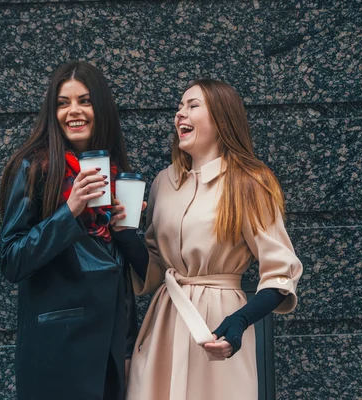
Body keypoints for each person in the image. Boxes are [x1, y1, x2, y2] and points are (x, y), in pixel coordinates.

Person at [116, 79, 303, 399]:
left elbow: (281, 269)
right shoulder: (164, 181)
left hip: (216, 325)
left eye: (192, 105)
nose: (180, 114)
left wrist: (240, 321)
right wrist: (123, 234)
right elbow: (154, 269)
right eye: (179, 107)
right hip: (165, 321)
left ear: (221, 118)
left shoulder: (249, 182)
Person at [0, 61, 138, 400]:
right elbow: (12, 259)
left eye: (84, 100)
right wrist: (70, 212)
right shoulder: (33, 168)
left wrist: (123, 228)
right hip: (59, 348)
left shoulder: (116, 173)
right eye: (63, 103)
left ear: (100, 108)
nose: (73, 111)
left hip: (111, 348)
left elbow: (126, 272)